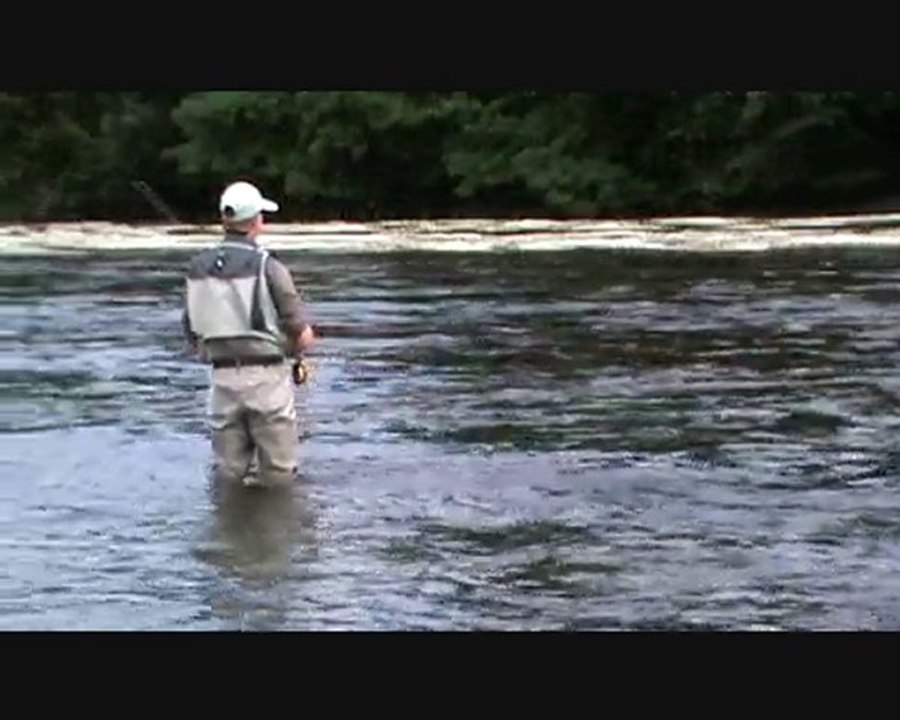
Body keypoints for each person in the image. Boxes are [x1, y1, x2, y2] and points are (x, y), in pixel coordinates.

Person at [182, 180, 317, 487]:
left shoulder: (197, 268)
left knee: (228, 475)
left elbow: (191, 333)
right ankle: (274, 531)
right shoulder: (270, 267)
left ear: (224, 221)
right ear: (256, 221)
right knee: (279, 476)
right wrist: (303, 346)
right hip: (267, 380)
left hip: (220, 383)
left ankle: (229, 530)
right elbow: (298, 329)